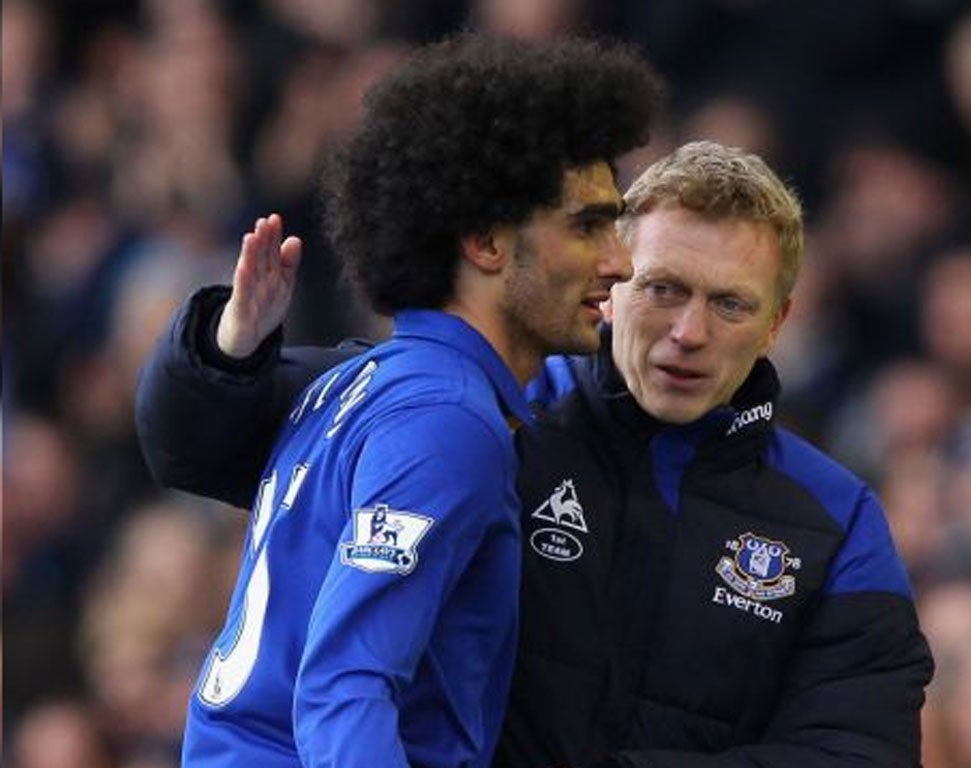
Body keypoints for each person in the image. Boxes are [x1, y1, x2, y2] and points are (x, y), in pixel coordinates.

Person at [136, 141, 933, 767]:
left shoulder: (837, 523)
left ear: (778, 320)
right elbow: (201, 448)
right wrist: (229, 349)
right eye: (664, 289)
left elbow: (859, 751)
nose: (689, 333)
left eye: (729, 304)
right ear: (610, 280)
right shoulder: (469, 410)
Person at [137, 33, 662, 768]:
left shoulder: (364, 386)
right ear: (484, 241)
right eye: (586, 225)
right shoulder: (446, 422)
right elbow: (343, 690)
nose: (621, 261)